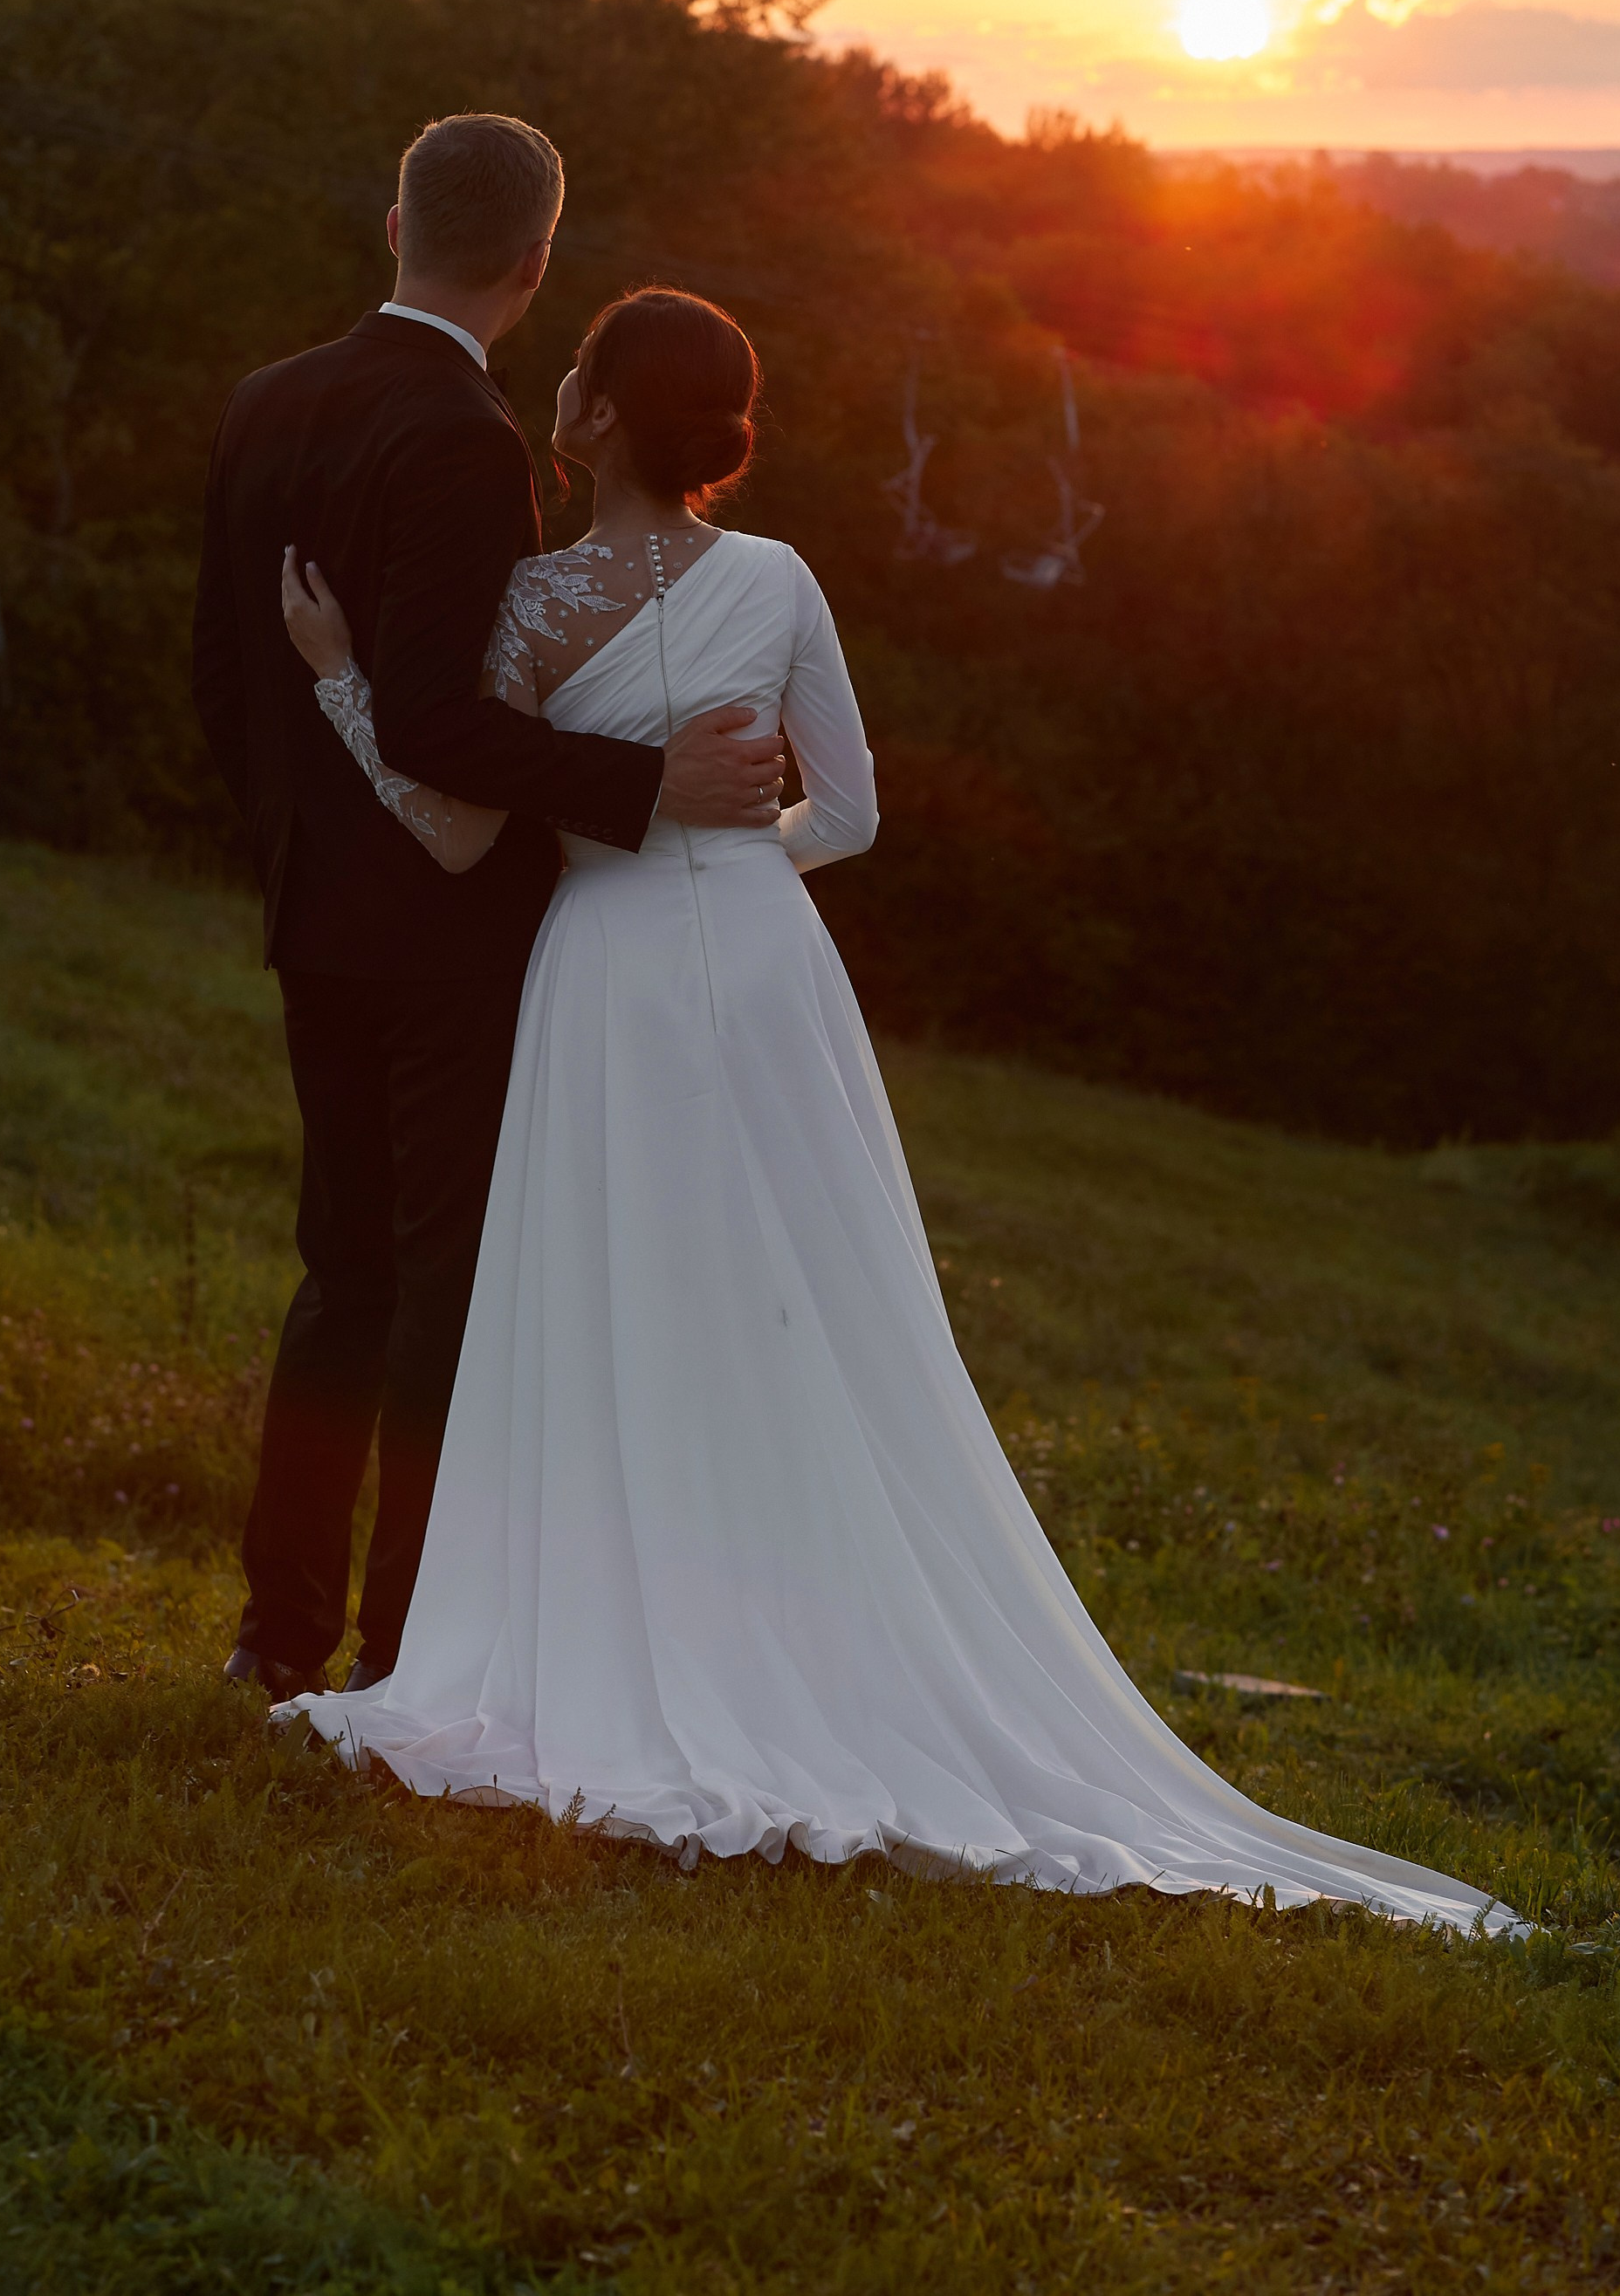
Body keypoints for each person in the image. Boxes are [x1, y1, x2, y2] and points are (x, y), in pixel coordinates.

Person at [272, 280, 1521, 1929]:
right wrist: (726, 851)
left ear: (583, 422)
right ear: (716, 433)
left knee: (627, 1310)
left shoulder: (525, 611)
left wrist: (342, 682)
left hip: (610, 981)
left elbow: (448, 836)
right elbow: (847, 814)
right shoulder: (782, 579)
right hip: (774, 974)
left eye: (576, 380)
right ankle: (805, 1635)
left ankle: (639, 1637)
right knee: (808, 1314)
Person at [190, 115, 786, 1703]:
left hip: (317, 915)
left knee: (342, 1277)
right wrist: (648, 785)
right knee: (438, 1290)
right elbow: (449, 727)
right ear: (534, 267)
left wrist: (295, 846)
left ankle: (277, 1642)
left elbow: (215, 687)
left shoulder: (265, 403)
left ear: (394, 221)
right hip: (445, 938)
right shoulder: (466, 436)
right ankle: (406, 1657)